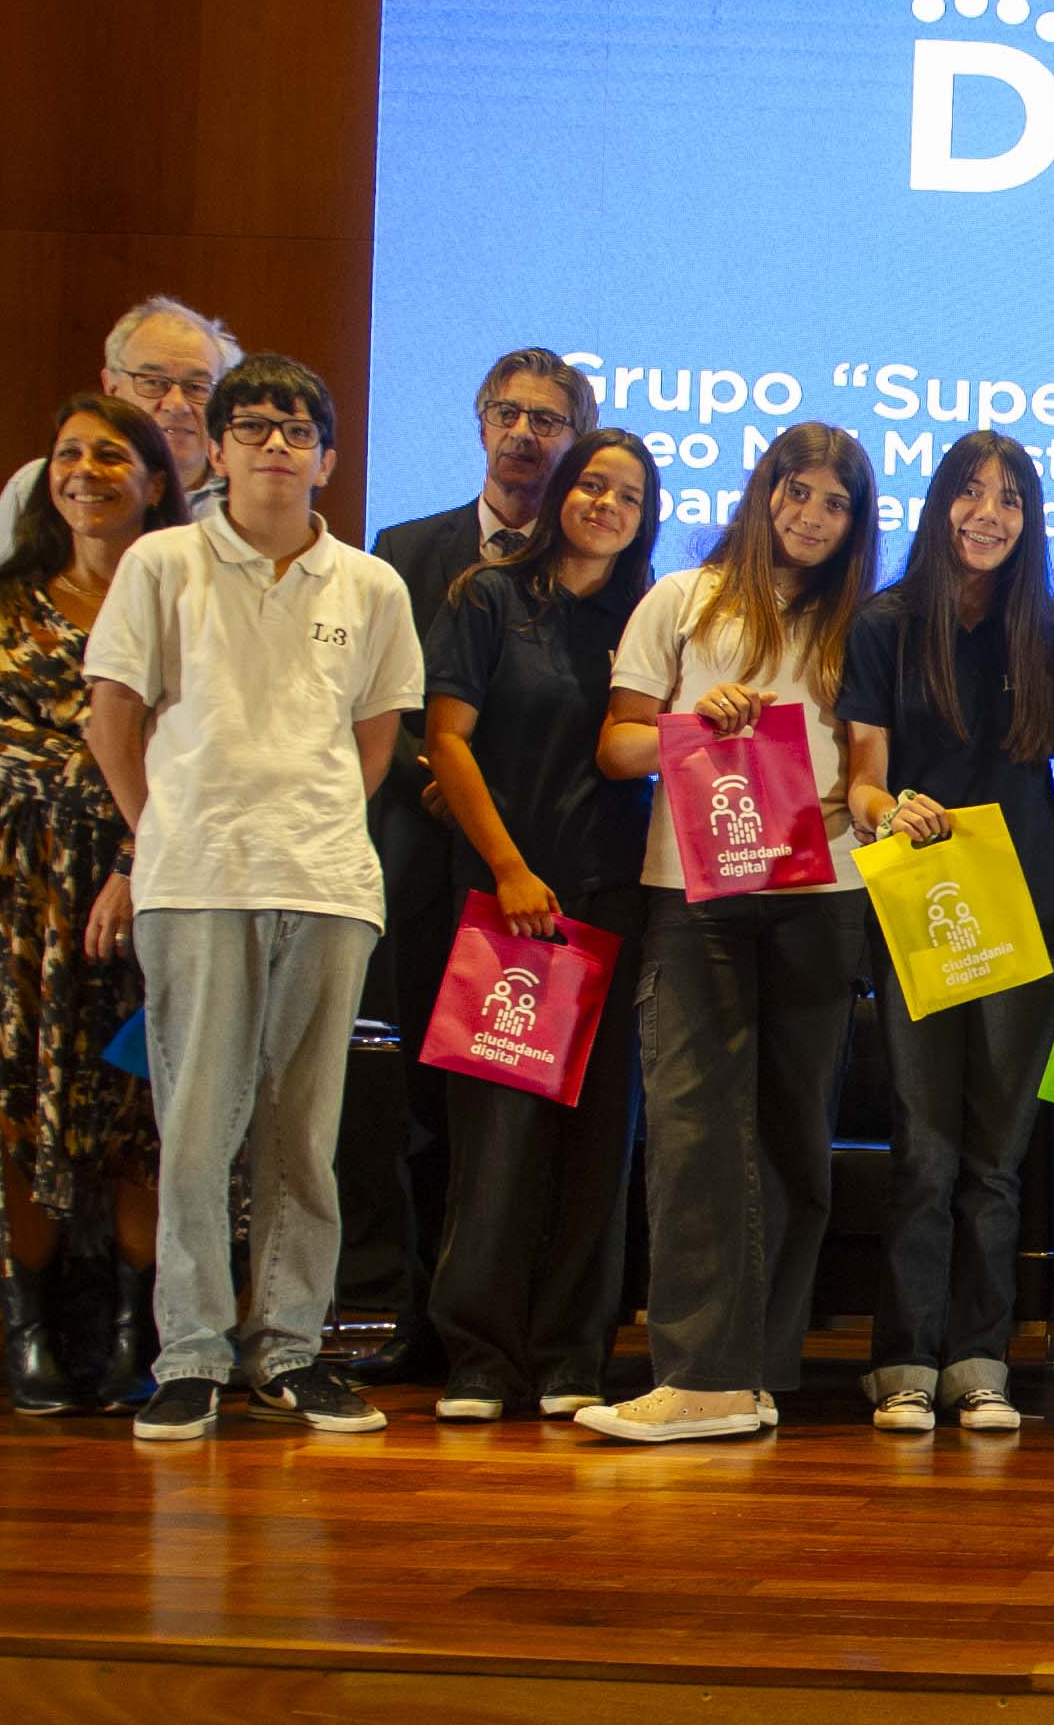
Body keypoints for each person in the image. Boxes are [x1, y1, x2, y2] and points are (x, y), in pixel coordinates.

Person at [85, 353, 426, 1441]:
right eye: (254, 426)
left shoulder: (369, 584)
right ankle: (188, 1354)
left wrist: (308, 820)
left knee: (303, 1134)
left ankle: (288, 1347)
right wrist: (158, 829)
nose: (276, 444)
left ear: (327, 456)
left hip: (325, 881)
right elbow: (111, 714)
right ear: (219, 448)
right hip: (196, 880)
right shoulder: (162, 563)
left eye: (297, 429)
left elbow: (375, 738)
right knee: (195, 1125)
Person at [578, 421, 878, 1444]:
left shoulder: (862, 625)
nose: (811, 515)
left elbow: (875, 762)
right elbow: (618, 748)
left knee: (795, 1134)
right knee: (695, 1126)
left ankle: (759, 1370)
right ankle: (700, 1373)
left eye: (835, 503)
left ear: (855, 522)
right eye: (797, 492)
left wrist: (861, 796)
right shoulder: (681, 599)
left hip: (823, 893)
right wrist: (690, 728)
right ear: (764, 492)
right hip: (693, 889)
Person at [345, 348, 602, 1386]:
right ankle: (406, 1315)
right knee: (414, 1094)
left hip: (545, 871)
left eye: (548, 419)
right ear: (478, 420)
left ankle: (509, 1324)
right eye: (508, 411)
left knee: (520, 1105)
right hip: (422, 857)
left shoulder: (599, 563)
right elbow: (374, 698)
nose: (525, 433)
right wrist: (441, 785)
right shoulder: (406, 550)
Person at [417, 426, 661, 1422]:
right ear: (560, 488)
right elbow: (444, 740)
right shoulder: (488, 594)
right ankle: (479, 1356)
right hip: (513, 903)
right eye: (592, 485)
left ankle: (572, 1355)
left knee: (597, 1143)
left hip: (614, 898)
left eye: (629, 497)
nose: (605, 505)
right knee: (500, 1140)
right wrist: (510, 866)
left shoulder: (640, 620)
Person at [0, 393, 189, 1414]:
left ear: (152, 481)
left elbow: (197, 734)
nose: (83, 471)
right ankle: (32, 1332)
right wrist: (115, 787)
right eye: (66, 454)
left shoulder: (184, 594)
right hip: (25, 879)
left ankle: (139, 1334)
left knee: (142, 1105)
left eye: (109, 455)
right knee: (15, 1101)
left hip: (164, 865)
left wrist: (139, 848)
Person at [838, 430, 1054, 1435]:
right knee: (924, 1147)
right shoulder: (885, 622)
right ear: (939, 507)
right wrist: (890, 810)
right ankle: (901, 1356)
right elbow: (860, 780)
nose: (988, 512)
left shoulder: (1046, 626)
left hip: (1026, 915)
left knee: (996, 1154)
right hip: (923, 906)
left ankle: (981, 1358)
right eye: (970, 493)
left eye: (1010, 497)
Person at [0, 296, 239, 573]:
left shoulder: (245, 500)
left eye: (197, 387)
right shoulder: (45, 484)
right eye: (152, 383)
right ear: (112, 388)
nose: (176, 404)